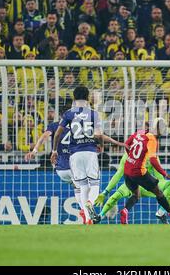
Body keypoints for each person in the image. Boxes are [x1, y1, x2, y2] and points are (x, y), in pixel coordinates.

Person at [50, 86, 127, 224]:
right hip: (89, 151)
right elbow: (98, 134)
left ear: (74, 97)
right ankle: (90, 203)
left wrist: (54, 150)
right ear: (88, 97)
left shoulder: (68, 114)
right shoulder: (93, 113)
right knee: (94, 184)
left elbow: (57, 133)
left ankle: (88, 218)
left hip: (74, 154)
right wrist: (102, 145)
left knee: (82, 186)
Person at [119, 118, 170, 224]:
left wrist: (131, 157)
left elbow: (126, 144)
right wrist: (165, 174)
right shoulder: (152, 140)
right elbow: (153, 161)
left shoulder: (140, 132)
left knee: (136, 194)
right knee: (158, 192)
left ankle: (125, 210)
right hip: (139, 172)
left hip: (127, 170)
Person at [25, 105, 86, 224]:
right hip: (74, 166)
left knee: (76, 185)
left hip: (60, 169)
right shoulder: (78, 127)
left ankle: (83, 212)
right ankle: (85, 210)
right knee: (85, 186)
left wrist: (34, 151)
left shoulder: (54, 126)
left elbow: (43, 137)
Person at [95, 149, 170, 224]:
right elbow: (118, 174)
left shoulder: (152, 156)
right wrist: (105, 192)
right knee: (115, 196)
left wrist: (166, 196)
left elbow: (159, 177)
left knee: (169, 184)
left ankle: (161, 212)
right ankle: (100, 216)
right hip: (132, 183)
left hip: (147, 184)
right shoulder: (127, 156)